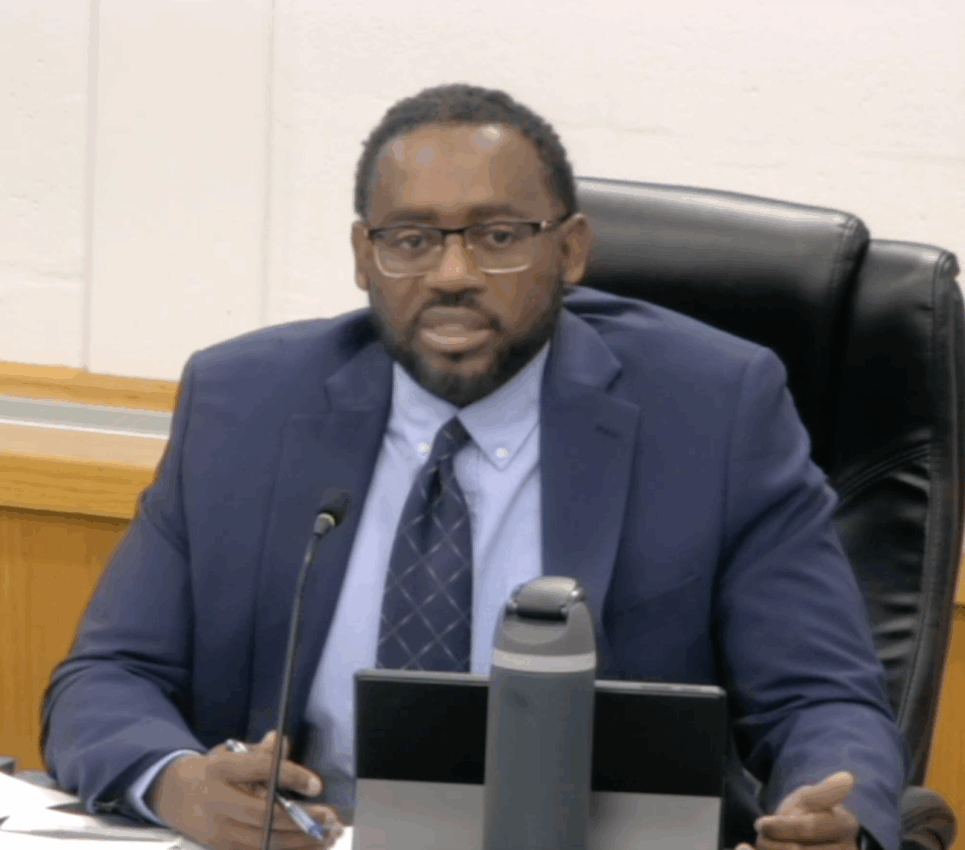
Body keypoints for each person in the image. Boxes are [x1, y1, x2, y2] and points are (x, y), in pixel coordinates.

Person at [42, 83, 907, 850]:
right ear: (362, 255)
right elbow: (109, 676)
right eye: (411, 239)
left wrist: (837, 820)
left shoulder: (715, 411)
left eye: (498, 236)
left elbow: (820, 700)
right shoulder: (244, 405)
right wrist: (178, 784)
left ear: (570, 251)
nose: (453, 274)